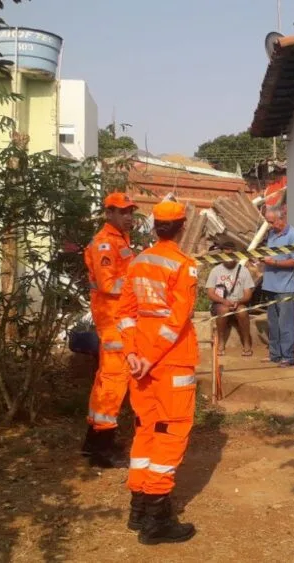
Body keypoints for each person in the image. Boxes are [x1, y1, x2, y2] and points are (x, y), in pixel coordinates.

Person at [116, 199, 198, 544]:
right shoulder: (184, 266)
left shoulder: (137, 262)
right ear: (182, 226)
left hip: (139, 361)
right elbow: (176, 321)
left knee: (145, 429)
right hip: (171, 361)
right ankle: (156, 520)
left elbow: (124, 314)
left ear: (154, 227)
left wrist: (134, 352)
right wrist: (148, 355)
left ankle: (138, 508)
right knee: (171, 431)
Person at [80, 192, 137, 469]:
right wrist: (137, 282)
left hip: (119, 320)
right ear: (109, 214)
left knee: (106, 381)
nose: (128, 216)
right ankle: (101, 451)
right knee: (113, 383)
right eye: (123, 212)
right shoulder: (104, 243)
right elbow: (108, 285)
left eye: (130, 212)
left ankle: (94, 442)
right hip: (113, 322)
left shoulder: (119, 239)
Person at [260, 207, 294, 366]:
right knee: (273, 323)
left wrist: (275, 262)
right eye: (268, 222)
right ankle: (274, 354)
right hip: (270, 285)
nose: (269, 225)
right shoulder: (271, 234)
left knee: (286, 323)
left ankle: (288, 357)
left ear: (281, 219)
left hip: (285, 288)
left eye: (271, 222)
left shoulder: (293, 236)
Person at [204, 241, 256, 357]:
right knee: (223, 310)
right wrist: (224, 301)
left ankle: (246, 342)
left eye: (230, 255)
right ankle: (221, 341)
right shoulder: (215, 271)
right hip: (221, 303)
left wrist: (239, 301)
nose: (228, 258)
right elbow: (210, 293)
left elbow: (248, 294)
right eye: (225, 255)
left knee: (242, 312)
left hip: (239, 302)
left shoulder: (243, 271)